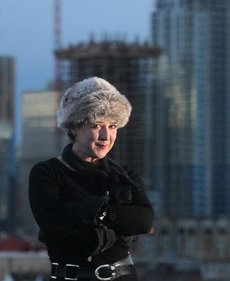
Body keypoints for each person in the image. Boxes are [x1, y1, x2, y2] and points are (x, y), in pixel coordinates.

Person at [28, 77, 154, 281]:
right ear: (74, 128)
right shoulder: (47, 172)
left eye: (113, 126)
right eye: (97, 125)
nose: (106, 135)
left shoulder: (125, 174)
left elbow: (144, 221)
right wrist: (119, 228)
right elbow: (54, 227)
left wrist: (100, 212)